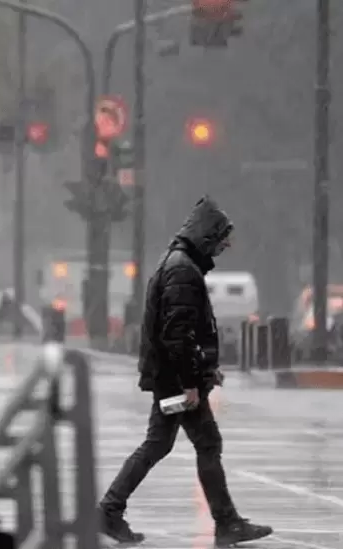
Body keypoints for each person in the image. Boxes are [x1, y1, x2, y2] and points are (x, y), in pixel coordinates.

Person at [98, 196, 272, 547]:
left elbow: (184, 332)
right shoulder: (182, 270)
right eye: (221, 238)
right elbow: (178, 334)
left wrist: (206, 370)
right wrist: (191, 383)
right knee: (193, 444)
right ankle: (224, 523)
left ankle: (113, 511)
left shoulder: (179, 264)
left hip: (173, 378)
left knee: (169, 444)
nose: (224, 246)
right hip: (175, 381)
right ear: (206, 236)